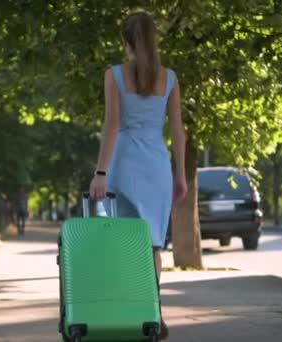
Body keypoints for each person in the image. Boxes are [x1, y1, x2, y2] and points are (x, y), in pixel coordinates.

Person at [88, 11, 187, 339]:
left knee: (125, 243)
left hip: (125, 165)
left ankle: (131, 310)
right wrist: (181, 176)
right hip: (157, 166)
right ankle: (153, 314)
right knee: (152, 246)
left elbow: (113, 125)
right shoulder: (170, 78)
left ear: (127, 42)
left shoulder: (114, 75)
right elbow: (178, 130)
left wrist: (100, 172)